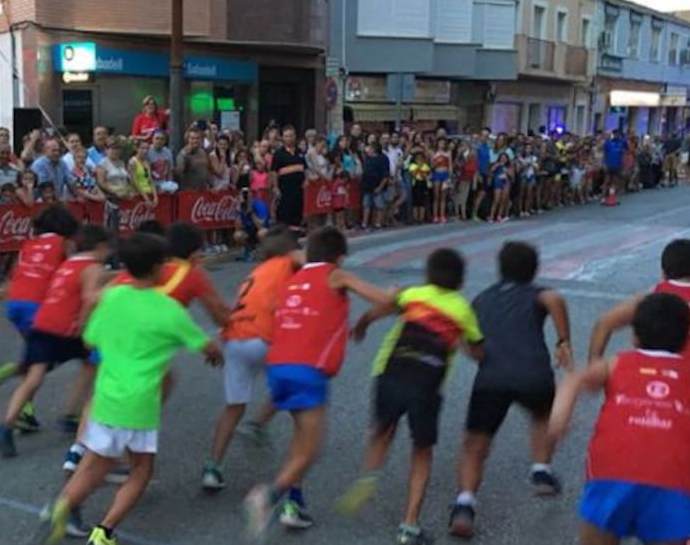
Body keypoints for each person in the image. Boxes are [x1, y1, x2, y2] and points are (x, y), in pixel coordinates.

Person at [32, 232, 223, 545]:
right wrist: (215, 355)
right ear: (157, 267)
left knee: (94, 466)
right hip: (140, 403)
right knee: (141, 470)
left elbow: (90, 339)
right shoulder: (167, 309)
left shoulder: (112, 297)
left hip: (106, 398)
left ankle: (60, 509)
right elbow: (205, 345)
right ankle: (104, 532)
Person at [242, 226, 396, 538]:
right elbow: (380, 298)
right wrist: (394, 295)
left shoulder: (294, 279)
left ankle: (294, 505)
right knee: (310, 451)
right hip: (308, 370)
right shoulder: (336, 274)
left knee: (300, 439)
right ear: (340, 258)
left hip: (279, 366)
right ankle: (269, 496)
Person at [587, 239, 690, 542]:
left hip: (655, 387)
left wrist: (596, 369)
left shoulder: (655, 296)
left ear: (664, 269)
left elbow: (604, 323)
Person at [338, 248, 484, 545]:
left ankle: (370, 475)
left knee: (382, 431)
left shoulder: (413, 294)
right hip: (426, 387)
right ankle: (409, 524)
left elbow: (379, 309)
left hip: (389, 373)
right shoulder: (462, 309)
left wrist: (362, 324)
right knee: (421, 451)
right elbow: (478, 352)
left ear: (428, 275)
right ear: (459, 282)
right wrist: (467, 345)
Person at [549, 293, 690, 545]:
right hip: (674, 477)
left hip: (612, 470)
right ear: (686, 337)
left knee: (598, 535)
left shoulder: (617, 363)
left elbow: (573, 380)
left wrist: (559, 420)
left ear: (634, 335)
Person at [448, 241, 574, 538]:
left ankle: (464, 504)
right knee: (543, 417)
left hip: (491, 378)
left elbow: (466, 339)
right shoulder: (537, 293)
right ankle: (541, 469)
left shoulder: (481, 299)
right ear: (534, 269)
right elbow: (555, 298)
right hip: (533, 374)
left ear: (500, 268)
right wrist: (563, 341)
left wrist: (481, 355)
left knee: (475, 445)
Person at [0, 224, 111, 459]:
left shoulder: (69, 263)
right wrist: (85, 324)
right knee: (93, 363)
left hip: (44, 323)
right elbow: (90, 298)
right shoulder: (94, 267)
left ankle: (5, 426)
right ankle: (71, 414)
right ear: (100, 247)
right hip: (69, 328)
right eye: (108, 249)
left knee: (34, 377)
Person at [202, 227, 301, 493]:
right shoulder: (286, 262)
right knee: (296, 390)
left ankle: (212, 468)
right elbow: (305, 260)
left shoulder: (256, 272)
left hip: (234, 337)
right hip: (262, 336)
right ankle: (261, 424)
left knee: (234, 406)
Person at [0, 204, 80, 420]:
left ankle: (24, 402)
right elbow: (72, 272)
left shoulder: (29, 244)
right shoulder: (63, 243)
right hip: (38, 306)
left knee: (40, 356)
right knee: (49, 358)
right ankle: (24, 404)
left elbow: (16, 274)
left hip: (16, 303)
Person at [271, 126, 306, 231]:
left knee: (297, 211)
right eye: (286, 136)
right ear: (283, 138)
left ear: (295, 136)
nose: (289, 138)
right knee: (285, 213)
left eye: (291, 136)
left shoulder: (300, 152)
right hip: (285, 189)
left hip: (298, 189)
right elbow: (274, 171)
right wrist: (275, 187)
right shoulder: (278, 154)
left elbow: (304, 168)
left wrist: (305, 180)